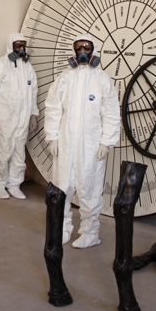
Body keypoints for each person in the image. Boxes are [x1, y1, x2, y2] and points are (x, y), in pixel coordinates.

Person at [44, 33, 120, 248]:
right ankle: (63, 228)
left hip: (91, 144)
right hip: (66, 143)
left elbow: (111, 112)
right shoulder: (65, 77)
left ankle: (90, 232)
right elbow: (53, 107)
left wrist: (106, 141)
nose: (83, 51)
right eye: (79, 47)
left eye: (87, 47)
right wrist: (52, 136)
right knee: (62, 186)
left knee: (90, 187)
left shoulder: (102, 79)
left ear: (94, 50)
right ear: (74, 51)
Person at [0, 33, 39, 200]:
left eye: (23, 44)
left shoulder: (28, 68)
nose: (21, 48)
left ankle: (14, 184)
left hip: (23, 118)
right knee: (2, 153)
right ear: (11, 45)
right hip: (4, 118)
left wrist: (33, 115)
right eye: (18, 45)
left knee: (18, 152)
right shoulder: (0, 65)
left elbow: (33, 94)